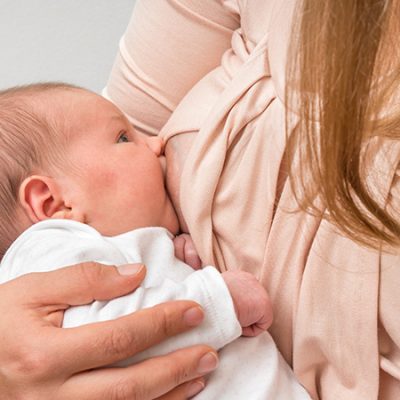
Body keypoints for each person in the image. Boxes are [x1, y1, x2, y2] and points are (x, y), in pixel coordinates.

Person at [103, 0, 400, 399]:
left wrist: (221, 302)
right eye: (127, 142)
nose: (156, 146)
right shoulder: (60, 250)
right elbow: (83, 161)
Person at [0, 83, 310, 399]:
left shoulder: (104, 249)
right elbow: (98, 340)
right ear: (53, 203)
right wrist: (220, 300)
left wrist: (172, 262)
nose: (156, 143)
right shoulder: (45, 249)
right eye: (122, 138)